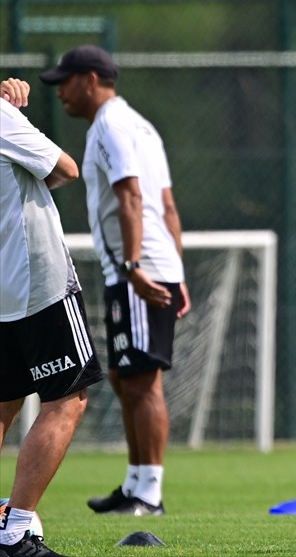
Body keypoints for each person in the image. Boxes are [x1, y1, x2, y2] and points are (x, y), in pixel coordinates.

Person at [39, 46, 190, 517]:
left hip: (138, 268)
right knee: (128, 377)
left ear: (90, 79)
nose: (60, 91)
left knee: (142, 381)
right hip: (143, 267)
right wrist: (177, 272)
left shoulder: (110, 126)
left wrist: (132, 267)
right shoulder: (139, 124)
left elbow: (132, 197)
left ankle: (149, 493)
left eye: (65, 81)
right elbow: (166, 205)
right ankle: (135, 484)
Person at [1, 76, 105, 557]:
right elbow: (66, 169)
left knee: (3, 403)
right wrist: (16, 117)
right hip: (36, 279)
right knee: (69, 398)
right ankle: (17, 530)